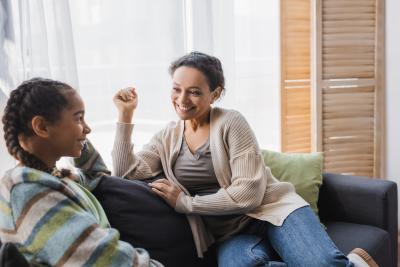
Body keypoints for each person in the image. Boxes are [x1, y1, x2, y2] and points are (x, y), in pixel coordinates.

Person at [112, 51, 379, 267]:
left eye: (194, 91)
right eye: (177, 89)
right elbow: (125, 173)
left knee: (322, 264)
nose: (182, 99)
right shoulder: (167, 137)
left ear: (215, 94)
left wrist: (187, 203)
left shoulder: (231, 122)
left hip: (273, 212)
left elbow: (248, 194)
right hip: (231, 234)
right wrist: (125, 116)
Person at [0, 78, 162, 267]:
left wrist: (81, 139)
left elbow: (98, 177)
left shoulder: (50, 176)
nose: (88, 128)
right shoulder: (29, 192)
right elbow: (104, 261)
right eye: (78, 118)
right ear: (43, 127)